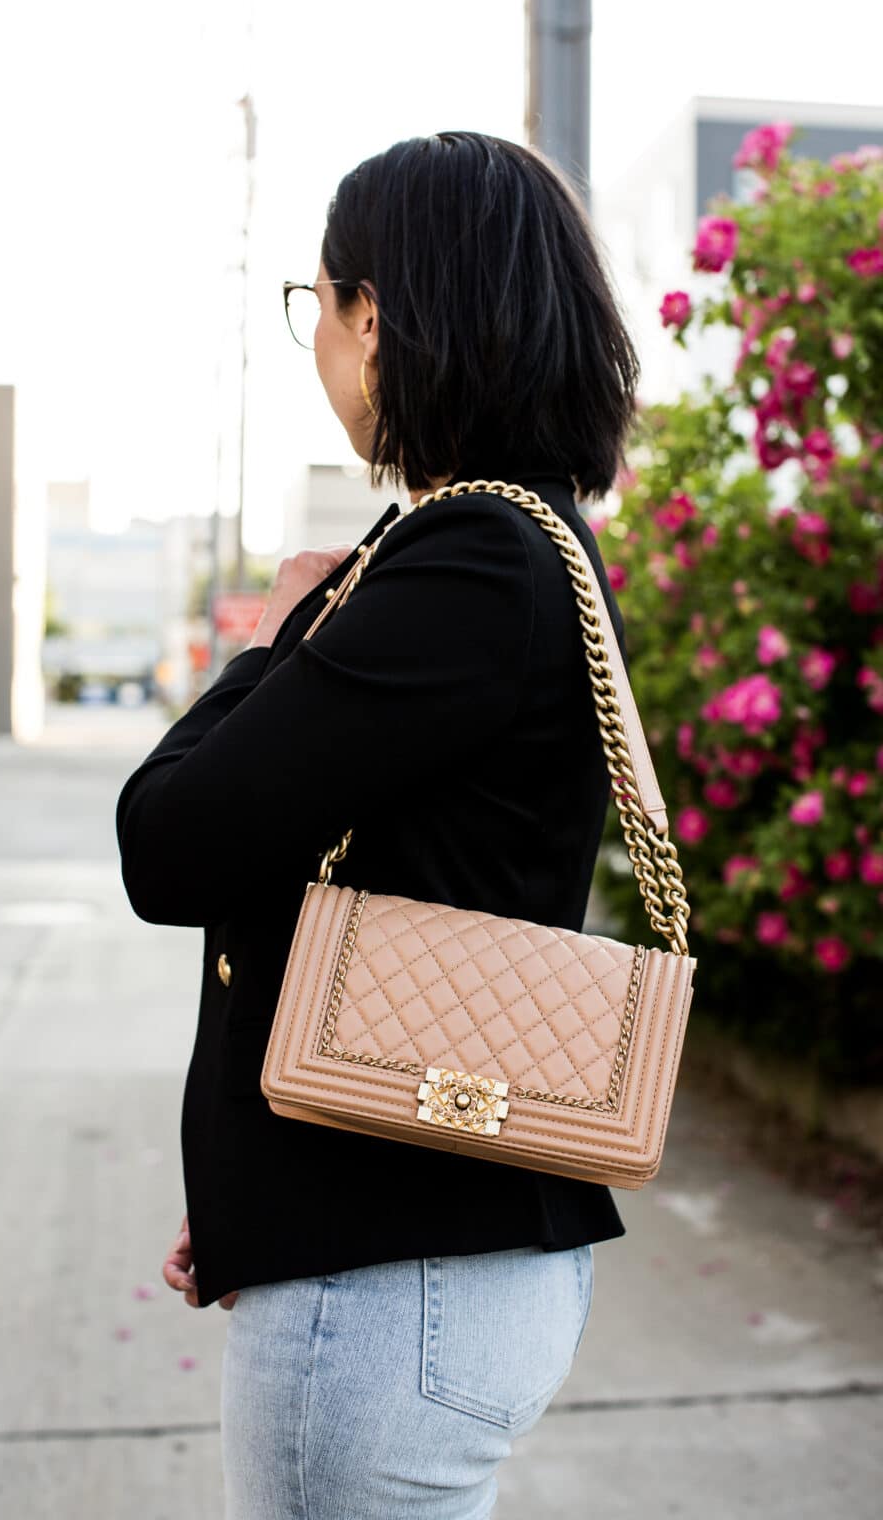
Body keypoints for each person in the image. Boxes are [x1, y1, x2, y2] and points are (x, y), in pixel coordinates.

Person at [116, 129, 640, 1518]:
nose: (320, 341)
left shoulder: (466, 562)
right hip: (412, 1241)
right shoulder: (540, 548)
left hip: (395, 1274)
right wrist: (255, 1182)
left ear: (379, 314)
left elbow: (170, 844)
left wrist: (279, 638)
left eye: (320, 303)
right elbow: (403, 877)